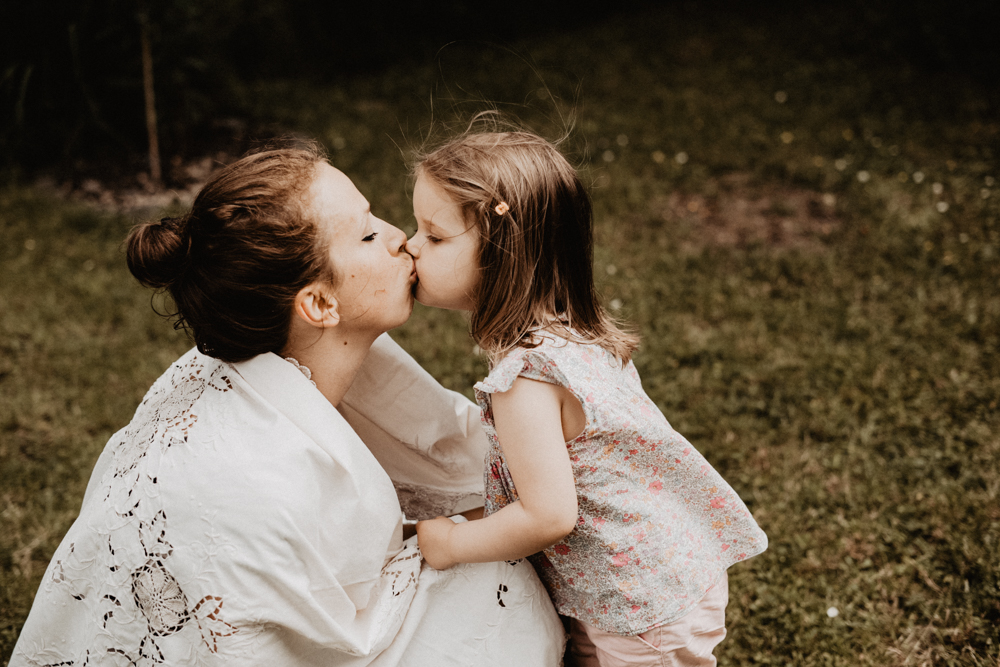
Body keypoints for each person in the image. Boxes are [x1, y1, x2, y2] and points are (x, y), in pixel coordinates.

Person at [10, 144, 564, 666]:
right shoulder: (258, 470)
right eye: (368, 235)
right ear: (320, 304)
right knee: (505, 588)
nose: (401, 238)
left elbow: (449, 451)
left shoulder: (277, 350)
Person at [408, 129, 768, 667]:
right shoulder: (573, 330)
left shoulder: (527, 378)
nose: (410, 245)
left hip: (640, 602)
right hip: (644, 573)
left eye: (434, 237)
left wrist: (452, 545)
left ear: (505, 255)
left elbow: (548, 515)